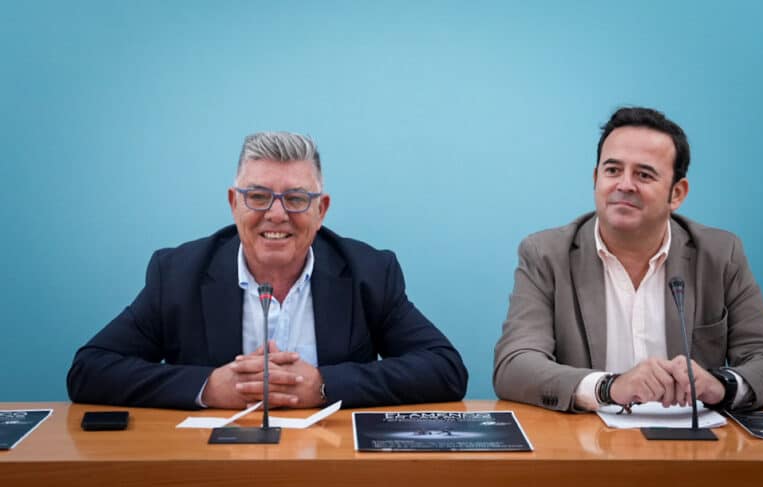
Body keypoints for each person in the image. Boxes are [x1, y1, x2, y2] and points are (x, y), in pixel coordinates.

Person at [68, 132, 467, 409]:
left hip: (333, 470)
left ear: (321, 209)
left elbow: (445, 369)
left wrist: (325, 385)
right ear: (233, 203)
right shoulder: (177, 273)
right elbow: (90, 369)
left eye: (295, 198)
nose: (276, 214)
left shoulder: (368, 271)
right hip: (211, 473)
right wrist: (208, 388)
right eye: (258, 196)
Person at [493, 107, 763, 413]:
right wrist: (609, 387)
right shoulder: (546, 254)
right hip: (585, 448)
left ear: (676, 193)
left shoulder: (719, 254)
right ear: (595, 178)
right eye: (613, 170)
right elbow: (515, 365)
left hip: (691, 452)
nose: (624, 185)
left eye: (643, 174)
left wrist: (719, 385)